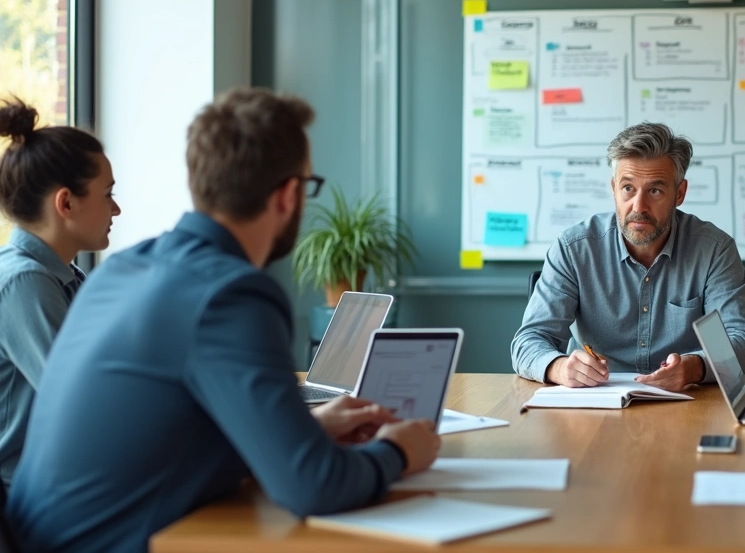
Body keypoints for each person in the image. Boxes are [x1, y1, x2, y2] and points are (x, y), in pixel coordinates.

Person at [8, 88, 441, 553]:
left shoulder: (122, 268)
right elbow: (314, 487)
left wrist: (308, 431)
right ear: (289, 195)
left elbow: (167, 438)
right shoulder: (231, 294)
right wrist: (398, 452)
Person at [511, 122, 745, 392]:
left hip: (687, 400)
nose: (638, 207)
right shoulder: (574, 249)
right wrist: (559, 367)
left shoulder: (714, 250)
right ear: (614, 188)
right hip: (593, 404)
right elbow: (529, 341)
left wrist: (694, 367)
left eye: (655, 190)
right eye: (628, 188)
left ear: (679, 193)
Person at [0, 98, 120, 488]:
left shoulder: (65, 277)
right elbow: (84, 403)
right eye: (107, 194)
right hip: (21, 494)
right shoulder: (24, 282)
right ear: (66, 202)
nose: (115, 209)